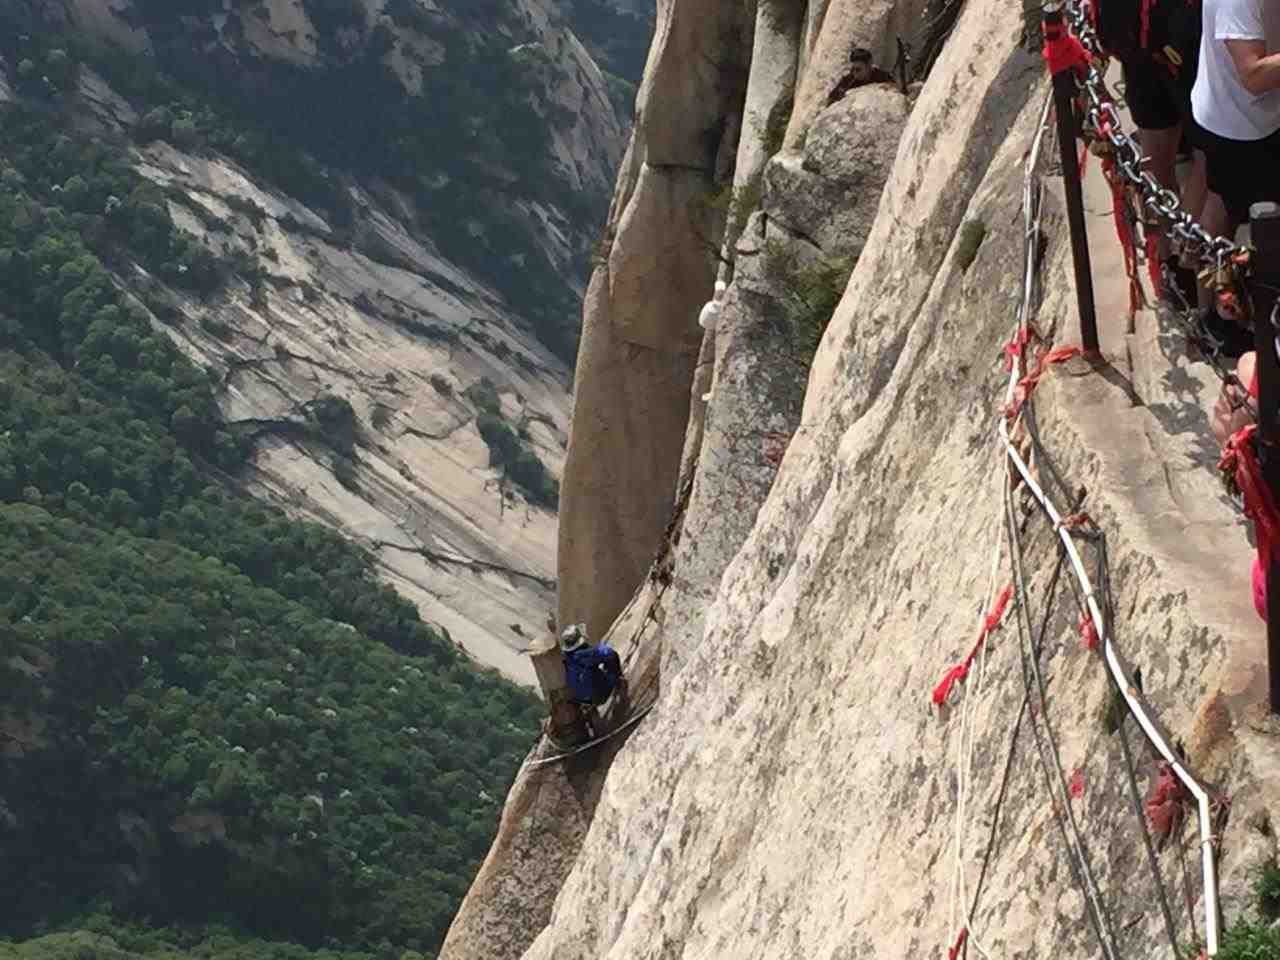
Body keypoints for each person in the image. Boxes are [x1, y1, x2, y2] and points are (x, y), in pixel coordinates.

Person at [1096, 0, 1209, 302]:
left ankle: (1170, 255)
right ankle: (1189, 259)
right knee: (1206, 155)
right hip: (1180, 42)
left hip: (1135, 37)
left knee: (1158, 157)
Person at [1191, 0, 1280, 350]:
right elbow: (1253, 74)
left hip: (1262, 118)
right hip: (1235, 124)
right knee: (1223, 213)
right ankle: (1214, 318)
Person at [561, 623, 624, 709]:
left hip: (579, 699)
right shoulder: (586, 654)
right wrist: (600, 647)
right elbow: (609, 654)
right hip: (599, 696)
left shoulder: (566, 658)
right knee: (611, 658)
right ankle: (618, 681)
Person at [827, 48, 895, 105]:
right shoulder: (849, 81)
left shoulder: (882, 77)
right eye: (853, 69)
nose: (855, 73)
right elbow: (831, 99)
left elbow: (895, 92)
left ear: (869, 65)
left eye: (858, 70)